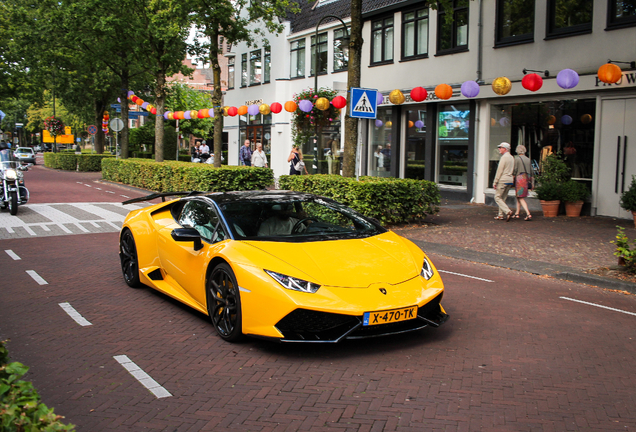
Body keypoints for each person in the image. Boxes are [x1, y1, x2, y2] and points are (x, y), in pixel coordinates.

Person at [492, 142, 515, 221]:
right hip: (510, 179)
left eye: (500, 147)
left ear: (505, 148)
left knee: (497, 197)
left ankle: (508, 211)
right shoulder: (512, 157)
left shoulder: (504, 157)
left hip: (503, 179)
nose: (499, 149)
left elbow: (499, 170)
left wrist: (495, 182)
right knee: (503, 198)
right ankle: (500, 215)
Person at [512, 145, 533, 221]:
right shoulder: (528, 159)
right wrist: (532, 183)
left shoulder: (517, 159)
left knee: (520, 197)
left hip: (520, 179)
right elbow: (531, 171)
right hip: (526, 178)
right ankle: (517, 213)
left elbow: (515, 170)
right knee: (518, 196)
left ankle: (528, 213)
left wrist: (512, 178)